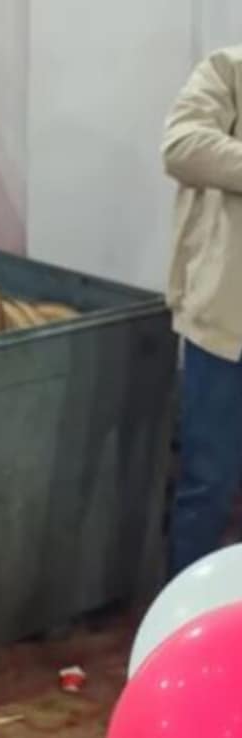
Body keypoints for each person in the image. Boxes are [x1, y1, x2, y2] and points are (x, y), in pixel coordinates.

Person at [162, 46, 242, 576]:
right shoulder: (228, 68)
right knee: (208, 486)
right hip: (227, 327)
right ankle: (181, 613)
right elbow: (181, 146)